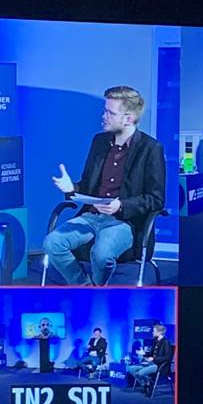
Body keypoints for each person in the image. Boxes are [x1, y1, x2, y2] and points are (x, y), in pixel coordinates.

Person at [42, 86, 166, 285]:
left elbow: (155, 199)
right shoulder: (99, 142)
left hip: (124, 222)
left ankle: (96, 291)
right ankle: (85, 288)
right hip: (91, 216)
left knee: (101, 255)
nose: (104, 116)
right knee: (52, 243)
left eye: (110, 113)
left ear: (128, 119)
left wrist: (121, 205)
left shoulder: (151, 148)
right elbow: (88, 186)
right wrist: (71, 188)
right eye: (105, 110)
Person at [126, 323, 173, 391]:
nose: (152, 332)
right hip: (150, 363)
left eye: (154, 331)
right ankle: (145, 384)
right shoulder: (155, 341)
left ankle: (149, 383)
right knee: (131, 369)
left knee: (140, 373)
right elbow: (151, 353)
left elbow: (167, 357)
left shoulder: (166, 342)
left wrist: (154, 359)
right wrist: (144, 353)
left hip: (159, 365)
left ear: (159, 332)